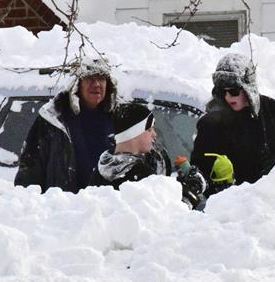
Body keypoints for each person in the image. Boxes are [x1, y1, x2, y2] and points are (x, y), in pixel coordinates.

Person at [191, 53, 275, 196]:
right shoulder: (211, 123)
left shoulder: (274, 112)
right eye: (222, 92)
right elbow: (200, 167)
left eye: (233, 91)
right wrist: (213, 180)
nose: (228, 97)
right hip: (229, 209)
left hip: (273, 203)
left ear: (248, 88)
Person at [14, 57, 117, 193]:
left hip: (109, 208)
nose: (96, 84)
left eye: (101, 78)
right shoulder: (53, 119)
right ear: (77, 84)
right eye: (89, 78)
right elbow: (30, 169)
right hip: (65, 207)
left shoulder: (121, 118)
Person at [91, 101, 206, 209]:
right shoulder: (136, 175)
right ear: (134, 133)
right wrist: (191, 190)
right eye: (150, 130)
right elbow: (171, 212)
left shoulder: (103, 166)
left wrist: (178, 184)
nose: (154, 134)